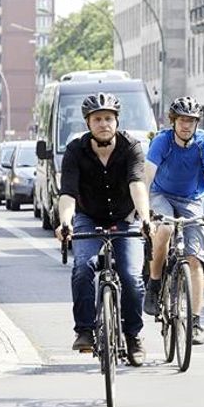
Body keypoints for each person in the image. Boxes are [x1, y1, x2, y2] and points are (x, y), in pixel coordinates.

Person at [56, 92, 152, 366]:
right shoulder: (75, 150)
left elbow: (137, 183)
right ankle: (85, 330)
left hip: (125, 217)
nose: (103, 124)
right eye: (97, 119)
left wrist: (144, 218)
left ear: (116, 121)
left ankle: (133, 335)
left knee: (132, 276)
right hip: (88, 216)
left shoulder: (131, 147)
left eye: (108, 118)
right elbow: (68, 193)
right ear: (88, 123)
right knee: (83, 268)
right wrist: (66, 222)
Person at [143, 96, 204, 345]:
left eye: (191, 121)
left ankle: (196, 322)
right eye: (181, 120)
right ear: (173, 121)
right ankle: (155, 284)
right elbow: (147, 176)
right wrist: (142, 210)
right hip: (160, 194)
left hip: (190, 199)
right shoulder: (162, 141)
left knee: (195, 259)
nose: (186, 125)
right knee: (165, 228)